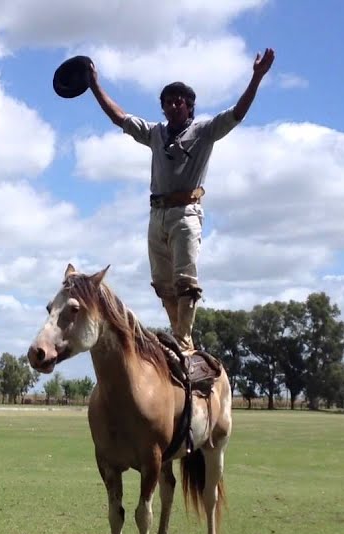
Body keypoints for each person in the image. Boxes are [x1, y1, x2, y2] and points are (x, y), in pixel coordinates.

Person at [86, 49, 275, 352]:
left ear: (189, 107)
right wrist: (94, 84)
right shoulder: (155, 133)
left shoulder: (204, 131)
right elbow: (118, 117)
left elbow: (237, 114)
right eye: (168, 101)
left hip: (187, 212)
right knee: (163, 285)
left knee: (185, 281)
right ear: (162, 107)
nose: (174, 105)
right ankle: (179, 335)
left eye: (180, 101)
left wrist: (256, 77)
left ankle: (184, 342)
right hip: (157, 214)